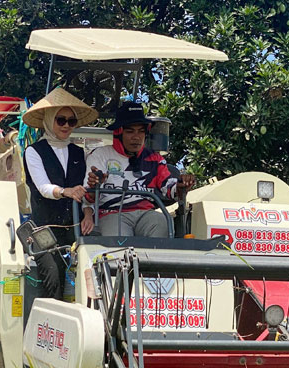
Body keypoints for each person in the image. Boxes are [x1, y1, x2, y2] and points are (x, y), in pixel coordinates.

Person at [23, 87, 98, 300]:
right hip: (44, 228)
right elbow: (43, 187)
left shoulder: (79, 152)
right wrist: (65, 191)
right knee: (52, 274)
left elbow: (84, 189)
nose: (66, 125)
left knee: (81, 274)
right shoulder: (34, 151)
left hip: (73, 227)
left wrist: (88, 213)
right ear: (49, 120)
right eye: (61, 120)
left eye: (71, 121)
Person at [85, 101, 195, 237]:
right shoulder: (99, 155)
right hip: (112, 213)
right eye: (130, 131)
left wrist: (181, 185)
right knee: (120, 240)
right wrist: (96, 184)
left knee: (162, 221)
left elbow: (170, 188)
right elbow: (87, 197)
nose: (136, 137)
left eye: (141, 131)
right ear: (118, 132)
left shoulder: (155, 158)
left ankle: (155, 259)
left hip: (145, 214)